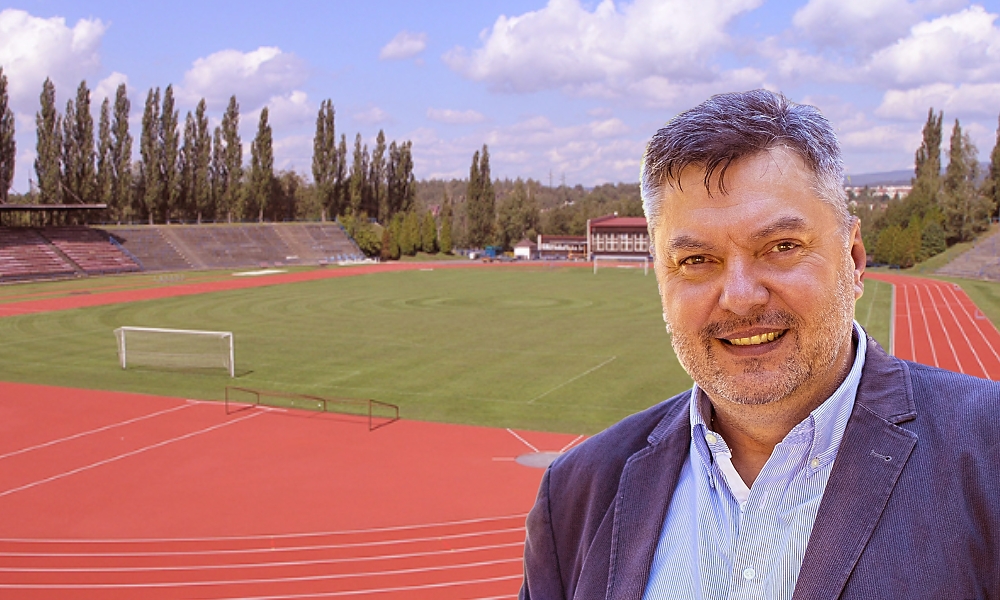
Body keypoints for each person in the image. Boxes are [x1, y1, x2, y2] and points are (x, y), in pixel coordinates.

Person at [519, 89, 1000, 599]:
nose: (741, 298)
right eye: (697, 260)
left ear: (854, 258)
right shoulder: (578, 494)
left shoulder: (988, 452)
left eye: (781, 247)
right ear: (661, 278)